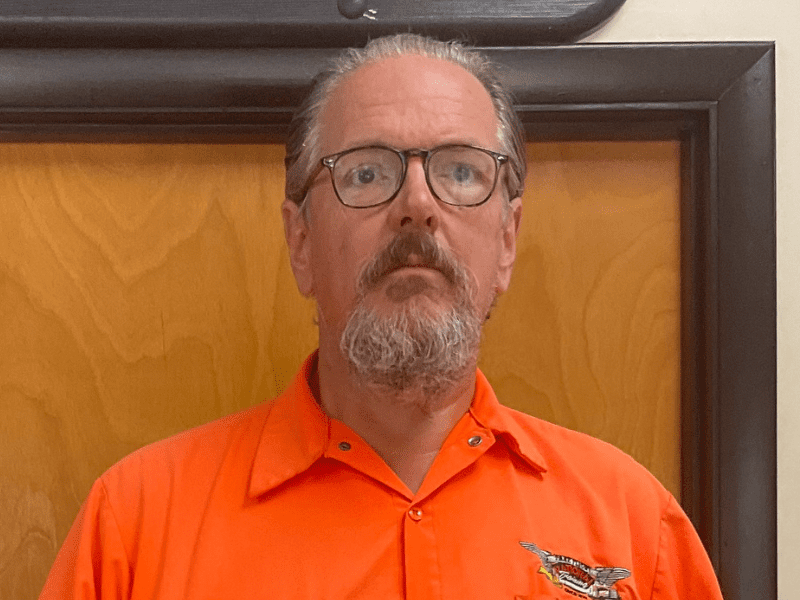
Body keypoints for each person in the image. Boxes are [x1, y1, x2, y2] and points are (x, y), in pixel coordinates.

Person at [39, 34, 724, 600]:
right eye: (365, 173)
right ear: (300, 242)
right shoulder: (133, 530)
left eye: (461, 172)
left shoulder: (635, 528)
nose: (417, 205)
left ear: (508, 241)